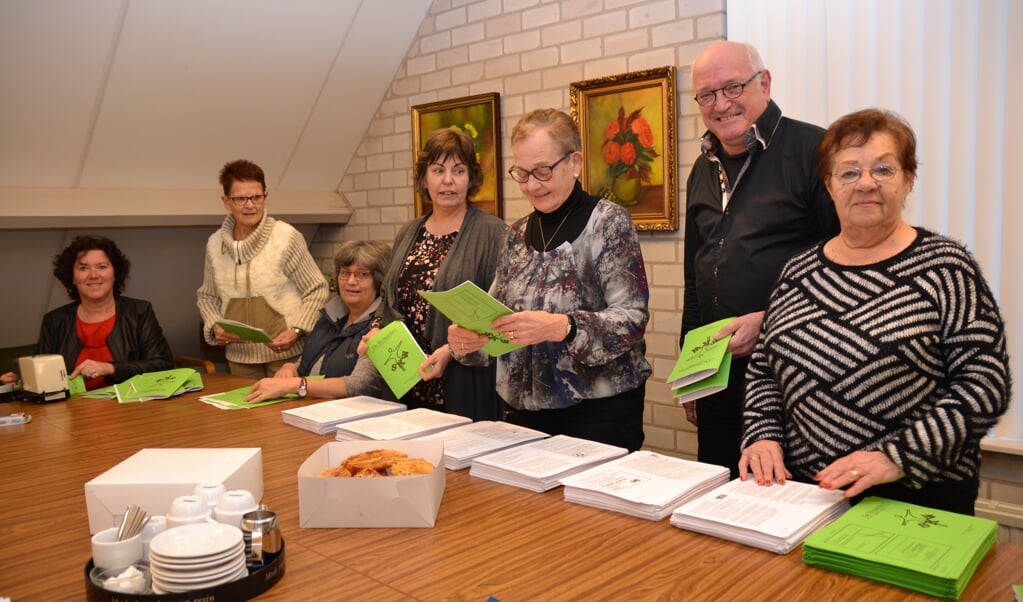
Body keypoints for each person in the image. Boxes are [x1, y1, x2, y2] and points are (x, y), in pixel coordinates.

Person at [739, 109, 1010, 515]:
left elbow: (985, 384)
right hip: (807, 498)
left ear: (908, 180)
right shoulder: (798, 272)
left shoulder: (946, 268)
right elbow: (764, 369)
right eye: (848, 172)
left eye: (883, 169)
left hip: (915, 499)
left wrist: (894, 457)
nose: (865, 183)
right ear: (828, 185)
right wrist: (762, 434)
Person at [447, 109, 651, 452]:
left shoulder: (608, 223)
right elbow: (496, 317)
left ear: (575, 162)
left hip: (598, 415)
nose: (531, 185)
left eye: (542, 171)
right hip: (523, 415)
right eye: (522, 173)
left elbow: (632, 319)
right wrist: (468, 338)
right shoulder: (516, 234)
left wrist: (563, 327)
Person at [682, 41, 840, 476]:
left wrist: (769, 321)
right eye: (707, 94)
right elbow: (695, 279)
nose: (721, 104)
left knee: (785, 509)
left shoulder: (817, 151)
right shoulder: (701, 167)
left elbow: (847, 272)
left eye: (732, 87)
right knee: (719, 504)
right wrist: (691, 374)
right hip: (718, 378)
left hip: (796, 377)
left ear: (764, 83)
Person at [372, 128, 507, 421]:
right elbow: (389, 299)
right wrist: (376, 329)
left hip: (462, 384)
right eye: (438, 170)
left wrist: (451, 351)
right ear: (424, 178)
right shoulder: (409, 232)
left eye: (458, 170)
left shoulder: (493, 233)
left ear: (470, 178)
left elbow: (498, 313)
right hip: (405, 382)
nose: (448, 181)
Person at [197, 159, 329, 379]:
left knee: (284, 414)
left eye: (256, 197)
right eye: (241, 198)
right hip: (239, 361)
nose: (250, 205)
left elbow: (317, 289)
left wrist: (297, 331)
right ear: (226, 202)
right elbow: (207, 297)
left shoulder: (286, 237)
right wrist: (213, 326)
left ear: (265, 197)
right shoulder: (214, 244)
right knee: (243, 414)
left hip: (287, 358)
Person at [245, 240, 393, 402]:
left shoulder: (382, 326)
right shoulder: (329, 315)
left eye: (361, 274)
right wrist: (291, 367)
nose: (350, 281)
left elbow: (360, 385)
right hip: (311, 410)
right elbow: (310, 359)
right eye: (344, 273)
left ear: (379, 280)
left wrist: (294, 385)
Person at [36, 235, 173, 390]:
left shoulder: (139, 312)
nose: (93, 275)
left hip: (130, 406)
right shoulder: (54, 320)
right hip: (71, 409)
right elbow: (40, 376)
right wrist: (19, 381)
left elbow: (163, 366)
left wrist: (110, 368)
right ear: (72, 277)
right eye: (83, 268)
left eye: (102, 267)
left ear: (115, 274)